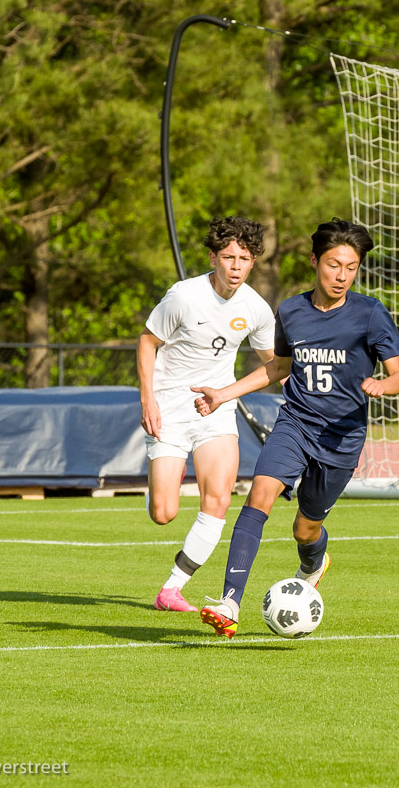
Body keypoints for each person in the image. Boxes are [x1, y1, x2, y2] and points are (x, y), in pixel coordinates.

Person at [191, 218, 399, 638]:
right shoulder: (291, 310)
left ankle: (314, 560)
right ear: (314, 261)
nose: (341, 275)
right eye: (333, 265)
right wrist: (223, 393)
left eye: (350, 267)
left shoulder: (369, 313)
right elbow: (279, 368)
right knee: (259, 493)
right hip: (295, 423)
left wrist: (383, 384)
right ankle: (230, 602)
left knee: (305, 529)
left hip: (342, 438)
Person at [137, 216, 276, 612]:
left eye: (244, 258)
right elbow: (148, 343)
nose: (235, 266)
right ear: (213, 257)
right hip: (170, 407)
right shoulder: (183, 296)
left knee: (217, 500)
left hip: (217, 408)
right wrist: (148, 400)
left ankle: (172, 589)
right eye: (228, 256)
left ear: (253, 263)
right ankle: (173, 464)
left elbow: (273, 366)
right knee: (163, 513)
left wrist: (229, 393)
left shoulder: (257, 309)